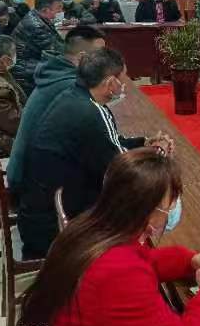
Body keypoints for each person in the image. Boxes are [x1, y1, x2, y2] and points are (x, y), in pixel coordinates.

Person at [11, 148, 200, 326]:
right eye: (169, 207)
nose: (171, 212)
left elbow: (144, 260)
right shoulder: (118, 272)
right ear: (148, 212)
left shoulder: (92, 227)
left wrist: (189, 260)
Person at [18, 48, 174, 259]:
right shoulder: (90, 113)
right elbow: (124, 172)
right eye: (123, 79)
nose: (125, 86)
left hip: (40, 212)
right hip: (55, 228)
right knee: (161, 204)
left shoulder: (72, 97)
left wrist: (145, 143)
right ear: (110, 83)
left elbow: (109, 144)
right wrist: (159, 152)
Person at [8, 26, 106, 193]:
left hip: (26, 170)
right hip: (32, 184)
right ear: (82, 58)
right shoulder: (69, 85)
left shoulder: (55, 72)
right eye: (101, 55)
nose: (106, 61)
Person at [11, 0, 65, 96]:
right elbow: (55, 52)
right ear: (45, 10)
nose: (61, 11)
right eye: (58, 8)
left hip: (32, 63)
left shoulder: (37, 16)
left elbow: (57, 42)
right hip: (25, 70)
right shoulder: (37, 26)